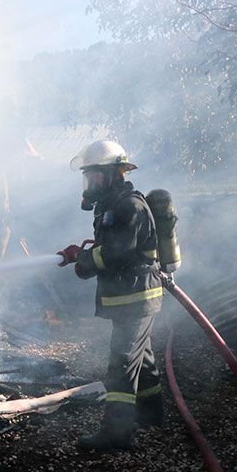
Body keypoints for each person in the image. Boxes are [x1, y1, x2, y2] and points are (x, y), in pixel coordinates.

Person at [56, 140, 163, 451]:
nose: (89, 183)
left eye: (94, 176)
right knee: (142, 360)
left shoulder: (130, 206)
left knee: (121, 364)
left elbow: (115, 253)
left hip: (136, 298)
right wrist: (83, 253)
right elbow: (111, 247)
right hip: (129, 296)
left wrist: (84, 261)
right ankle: (151, 416)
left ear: (114, 173)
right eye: (87, 177)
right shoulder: (111, 205)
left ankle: (116, 434)